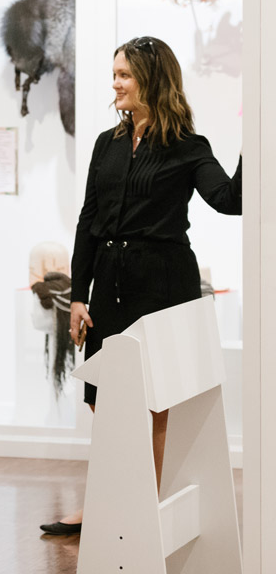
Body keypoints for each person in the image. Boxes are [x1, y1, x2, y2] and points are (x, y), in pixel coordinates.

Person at [40, 36, 242, 535]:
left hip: (161, 287)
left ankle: (142, 507)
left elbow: (228, 199)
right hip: (108, 283)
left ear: (152, 79)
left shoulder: (187, 146)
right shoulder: (107, 144)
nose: (115, 83)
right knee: (104, 400)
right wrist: (79, 296)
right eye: (115, 74)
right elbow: (89, 221)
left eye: (124, 75)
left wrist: (257, 141)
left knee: (152, 400)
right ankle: (107, 503)